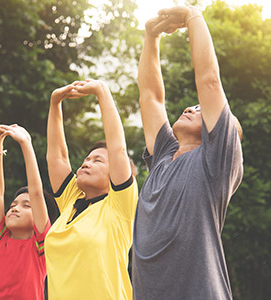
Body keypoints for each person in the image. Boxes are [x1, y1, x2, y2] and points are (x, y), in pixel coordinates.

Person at [132, 6, 243, 300]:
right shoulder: (163, 157)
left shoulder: (214, 162)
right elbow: (150, 97)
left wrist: (193, 15)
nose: (192, 107)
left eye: (200, 108)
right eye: (191, 106)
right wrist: (150, 36)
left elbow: (208, 80)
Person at [44, 79, 138, 300]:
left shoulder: (119, 207)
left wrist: (101, 91)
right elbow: (57, 156)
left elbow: (117, 147)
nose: (86, 163)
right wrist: (55, 103)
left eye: (97, 161)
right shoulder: (71, 202)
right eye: (86, 159)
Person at [0, 123, 59, 300]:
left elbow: (36, 192)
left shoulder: (41, 246)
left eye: (27, 205)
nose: (15, 208)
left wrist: (26, 144)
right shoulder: (1, 237)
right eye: (13, 205)